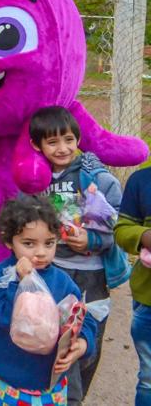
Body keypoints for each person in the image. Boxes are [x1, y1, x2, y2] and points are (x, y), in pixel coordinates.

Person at [29, 106, 125, 405]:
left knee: (88, 338)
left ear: (78, 139)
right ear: (37, 145)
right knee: (55, 335)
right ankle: (64, 396)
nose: (62, 148)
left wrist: (93, 239)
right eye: (53, 142)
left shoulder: (94, 176)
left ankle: (76, 396)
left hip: (92, 273)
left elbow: (119, 222)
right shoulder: (36, 178)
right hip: (54, 268)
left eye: (68, 140)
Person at [0, 195, 96, 405]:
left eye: (49, 243)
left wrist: (81, 344)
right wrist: (21, 281)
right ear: (8, 240)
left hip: (49, 386)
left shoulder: (63, 282)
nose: (41, 252)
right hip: (5, 382)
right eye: (29, 243)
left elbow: (82, 318)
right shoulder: (1, 276)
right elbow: (5, 319)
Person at [115, 165, 151, 406]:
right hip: (148, 300)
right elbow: (121, 229)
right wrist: (145, 236)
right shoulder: (141, 181)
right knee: (149, 379)